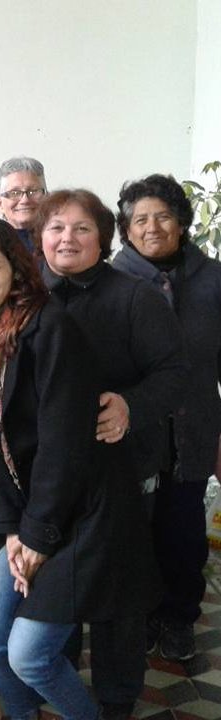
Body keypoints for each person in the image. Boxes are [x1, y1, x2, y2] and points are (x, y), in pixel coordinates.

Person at [0, 217, 106, 720]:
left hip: (80, 518)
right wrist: (12, 528)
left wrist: (35, 535)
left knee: (30, 655)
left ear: (16, 270)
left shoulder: (49, 326)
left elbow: (64, 447)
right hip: (29, 516)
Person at [35, 190, 186, 719]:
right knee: (57, 588)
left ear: (103, 238)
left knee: (117, 596)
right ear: (40, 237)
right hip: (52, 477)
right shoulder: (31, 295)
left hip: (123, 471)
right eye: (56, 228)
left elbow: (175, 375)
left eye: (82, 228)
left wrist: (130, 405)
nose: (67, 238)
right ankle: (59, 682)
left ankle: (117, 699)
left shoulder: (135, 297)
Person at [113, 173, 221, 662]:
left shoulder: (212, 278)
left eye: (163, 216)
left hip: (193, 430)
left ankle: (178, 617)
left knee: (183, 534)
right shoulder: (112, 280)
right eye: (140, 219)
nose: (152, 227)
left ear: (181, 222)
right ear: (126, 229)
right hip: (132, 435)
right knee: (134, 535)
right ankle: (138, 616)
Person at [0, 157, 47, 253]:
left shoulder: (61, 240)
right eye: (15, 193)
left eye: (33, 191)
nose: (25, 200)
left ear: (47, 197)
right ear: (0, 204)